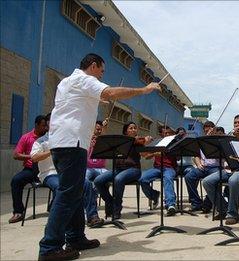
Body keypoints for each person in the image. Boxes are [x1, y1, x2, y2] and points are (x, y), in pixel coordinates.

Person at [39, 53, 160, 260]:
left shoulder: (66, 82)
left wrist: (98, 98)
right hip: (72, 144)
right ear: (93, 66)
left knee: (75, 192)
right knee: (68, 195)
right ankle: (49, 247)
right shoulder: (85, 79)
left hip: (61, 143)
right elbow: (111, 92)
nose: (101, 75)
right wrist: (144, 89)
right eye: (102, 71)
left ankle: (76, 237)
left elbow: (80, 103)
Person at [30, 115, 104, 228]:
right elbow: (34, 157)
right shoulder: (41, 141)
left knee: (87, 184)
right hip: (49, 174)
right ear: (48, 124)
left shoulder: (67, 138)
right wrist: (52, 150)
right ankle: (59, 220)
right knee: (61, 186)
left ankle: (92, 217)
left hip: (67, 172)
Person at [202, 114, 239, 225]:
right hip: (229, 170)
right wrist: (212, 137)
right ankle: (223, 208)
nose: (237, 125)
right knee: (207, 182)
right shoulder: (229, 136)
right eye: (235, 123)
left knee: (233, 181)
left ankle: (232, 214)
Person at [94, 122, 150, 219]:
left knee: (118, 179)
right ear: (125, 131)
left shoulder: (138, 143)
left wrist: (146, 143)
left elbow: (145, 155)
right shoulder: (121, 142)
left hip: (134, 169)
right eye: (131, 128)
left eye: (135, 128)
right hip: (118, 169)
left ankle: (117, 207)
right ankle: (110, 201)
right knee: (98, 180)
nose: (133, 130)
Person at [9, 115, 48, 224]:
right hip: (31, 169)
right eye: (43, 126)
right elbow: (16, 155)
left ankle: (54, 206)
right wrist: (32, 156)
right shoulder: (26, 137)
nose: (46, 128)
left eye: (47, 126)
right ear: (36, 125)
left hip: (47, 169)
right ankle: (18, 211)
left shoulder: (49, 138)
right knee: (16, 181)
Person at [139, 128, 179, 216]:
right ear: (161, 135)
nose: (167, 134)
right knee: (142, 179)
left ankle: (170, 205)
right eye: (165, 133)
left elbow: (178, 158)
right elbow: (146, 156)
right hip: (157, 168)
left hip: (169, 168)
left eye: (169, 133)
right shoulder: (157, 144)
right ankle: (154, 195)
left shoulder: (175, 144)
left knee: (168, 178)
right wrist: (152, 151)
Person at [184, 121, 219, 213]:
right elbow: (196, 155)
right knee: (189, 177)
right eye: (205, 128)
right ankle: (196, 203)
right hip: (204, 166)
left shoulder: (218, 140)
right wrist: (198, 164)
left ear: (214, 129)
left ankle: (208, 203)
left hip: (216, 167)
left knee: (213, 180)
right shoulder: (200, 141)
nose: (207, 129)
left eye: (210, 127)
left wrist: (211, 137)